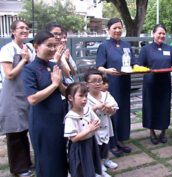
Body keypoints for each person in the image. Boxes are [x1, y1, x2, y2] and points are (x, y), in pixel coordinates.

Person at [21, 30, 68, 177]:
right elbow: (32, 99)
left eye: (55, 45)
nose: (53, 49)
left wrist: (59, 84)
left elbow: (66, 93)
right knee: (46, 159)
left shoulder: (55, 66)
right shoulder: (29, 69)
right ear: (36, 47)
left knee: (60, 157)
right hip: (42, 122)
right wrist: (54, 85)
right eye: (49, 45)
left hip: (59, 118)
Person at [96, 18, 137, 156]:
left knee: (124, 112)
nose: (118, 30)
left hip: (125, 83)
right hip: (111, 85)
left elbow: (133, 63)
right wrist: (107, 71)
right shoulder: (104, 46)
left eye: (120, 27)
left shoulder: (126, 45)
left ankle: (121, 140)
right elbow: (99, 66)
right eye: (115, 28)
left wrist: (140, 68)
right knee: (112, 112)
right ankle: (111, 143)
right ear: (108, 30)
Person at [0, 20, 34, 177]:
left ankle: (26, 163)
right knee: (14, 133)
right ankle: (18, 169)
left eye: (27, 28)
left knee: (24, 131)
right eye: (21, 28)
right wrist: (23, 60)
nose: (25, 30)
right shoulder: (7, 49)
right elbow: (9, 74)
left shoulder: (29, 48)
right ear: (13, 31)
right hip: (12, 96)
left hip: (25, 95)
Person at [139, 24, 172, 144]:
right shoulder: (146, 49)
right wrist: (146, 70)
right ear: (153, 34)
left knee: (164, 107)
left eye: (163, 33)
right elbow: (140, 65)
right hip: (150, 83)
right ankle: (152, 132)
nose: (161, 35)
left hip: (165, 83)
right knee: (151, 107)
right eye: (159, 33)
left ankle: (163, 131)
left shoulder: (169, 49)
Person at [84, 69, 118, 177]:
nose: (98, 83)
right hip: (93, 128)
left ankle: (105, 160)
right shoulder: (85, 98)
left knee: (105, 144)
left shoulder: (106, 95)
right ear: (87, 84)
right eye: (94, 81)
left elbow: (113, 111)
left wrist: (109, 108)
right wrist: (95, 108)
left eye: (100, 80)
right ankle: (97, 169)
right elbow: (83, 114)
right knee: (95, 147)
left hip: (106, 124)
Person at [64, 83, 102, 177]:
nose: (84, 99)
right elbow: (73, 138)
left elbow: (96, 120)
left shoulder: (88, 110)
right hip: (79, 147)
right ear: (70, 97)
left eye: (86, 96)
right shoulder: (70, 117)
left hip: (90, 142)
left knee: (90, 164)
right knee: (81, 168)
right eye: (80, 96)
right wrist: (89, 129)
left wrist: (95, 126)